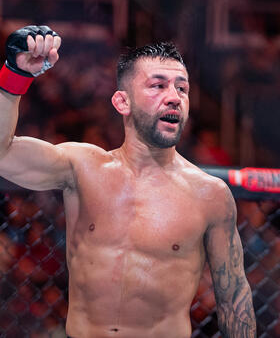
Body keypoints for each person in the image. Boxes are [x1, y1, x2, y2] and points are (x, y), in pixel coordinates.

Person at [0, 26, 256, 338]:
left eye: (182, 89)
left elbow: (234, 300)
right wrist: (14, 76)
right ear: (123, 102)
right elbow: (3, 154)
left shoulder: (210, 195)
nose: (174, 97)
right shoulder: (82, 167)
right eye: (158, 85)